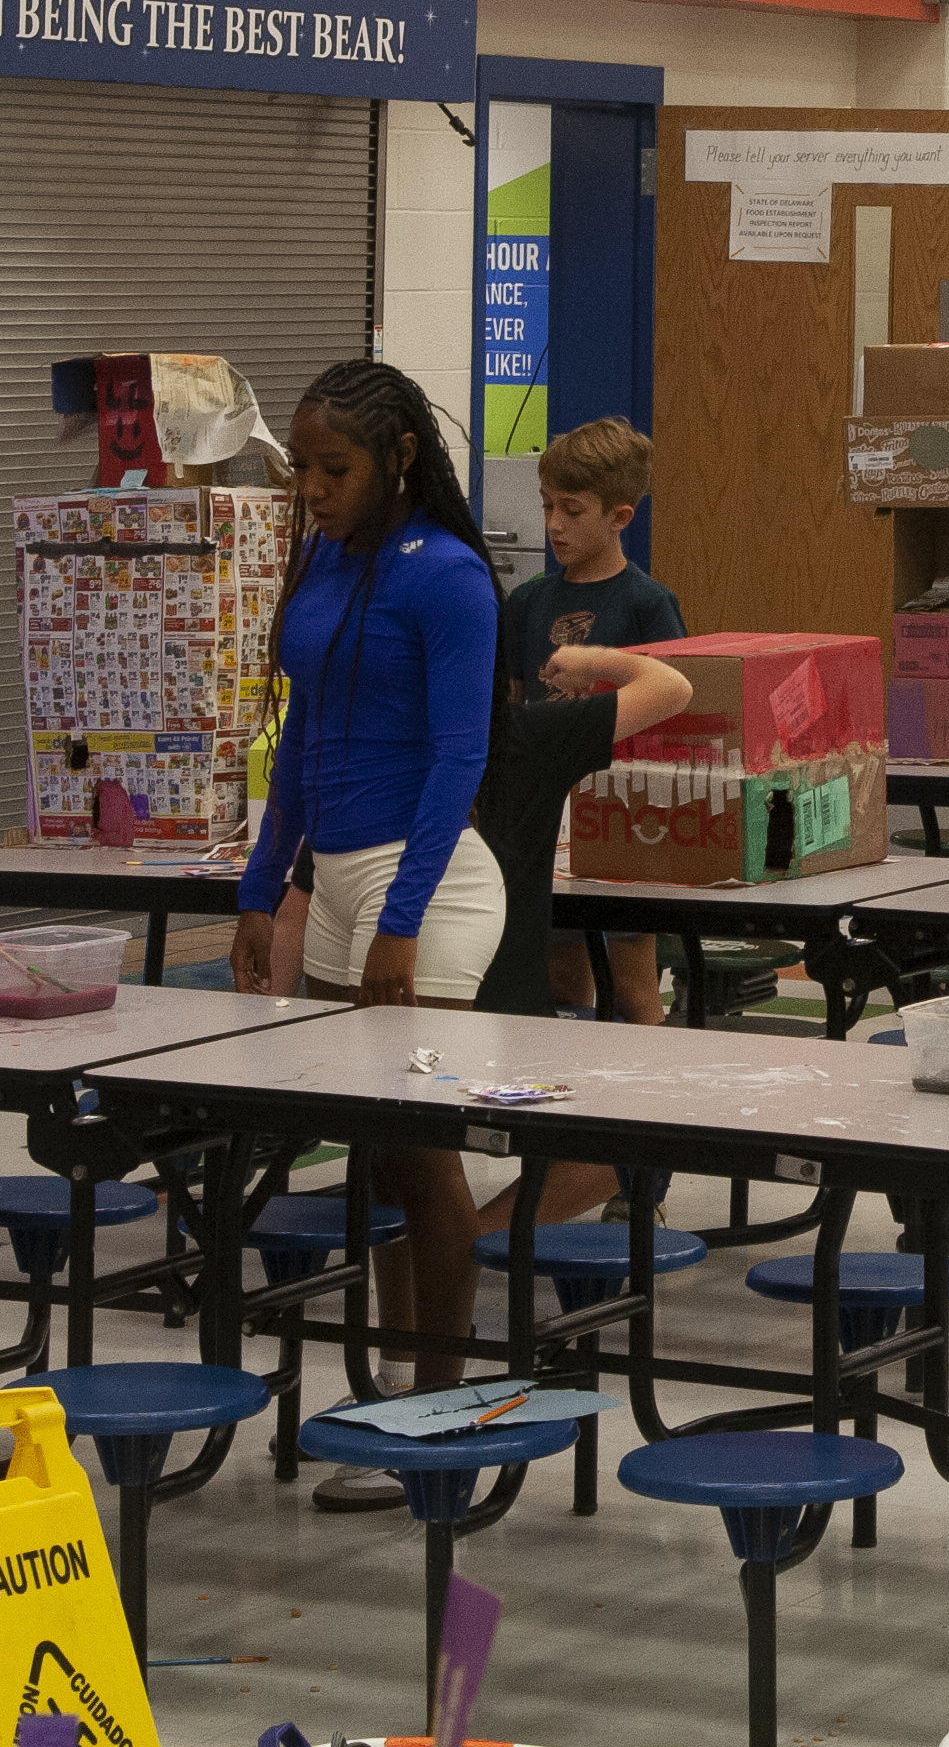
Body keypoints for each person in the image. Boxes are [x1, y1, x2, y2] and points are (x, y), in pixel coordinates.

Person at [228, 359, 500, 1495]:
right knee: (378, 1153)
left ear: (395, 458)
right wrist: (260, 882)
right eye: (303, 469)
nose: (311, 490)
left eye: (333, 470)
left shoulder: (448, 580)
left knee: (422, 1151)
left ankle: (443, 1418)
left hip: (426, 885)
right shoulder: (328, 561)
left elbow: (458, 758)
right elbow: (301, 738)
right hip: (336, 877)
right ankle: (398, 1391)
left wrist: (398, 921)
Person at [470, 641, 697, 1218]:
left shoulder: (360, 748)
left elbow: (296, 897)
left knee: (410, 1151)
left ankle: (445, 1245)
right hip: (500, 1031)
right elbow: (671, 687)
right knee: (625, 1146)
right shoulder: (522, 736)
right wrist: (590, 662)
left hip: (386, 1024)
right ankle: (461, 1246)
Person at [499, 419, 686, 1028]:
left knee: (633, 987)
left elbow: (673, 707)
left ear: (620, 516)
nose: (554, 524)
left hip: (624, 812)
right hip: (542, 819)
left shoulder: (647, 602)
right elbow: (513, 705)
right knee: (561, 974)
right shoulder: (527, 604)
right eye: (547, 505)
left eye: (572, 510)